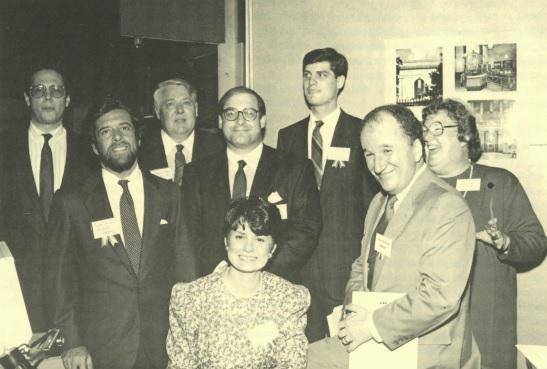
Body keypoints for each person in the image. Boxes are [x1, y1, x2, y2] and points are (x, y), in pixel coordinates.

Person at [307, 104, 480, 369]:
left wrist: (372, 324)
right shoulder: (379, 202)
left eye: (387, 150)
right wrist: (353, 310)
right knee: (297, 357)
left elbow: (438, 297)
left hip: (422, 352)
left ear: (416, 149)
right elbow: (360, 266)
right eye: (369, 154)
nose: (377, 165)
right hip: (373, 341)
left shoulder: (447, 206)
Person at [44, 98, 196, 369]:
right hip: (101, 347)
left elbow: (186, 269)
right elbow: (58, 279)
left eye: (124, 128)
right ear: (94, 146)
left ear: (137, 138)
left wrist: (191, 334)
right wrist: (73, 341)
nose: (117, 137)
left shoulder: (169, 194)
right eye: (105, 132)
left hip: (164, 343)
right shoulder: (71, 202)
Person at [422, 99, 546, 369]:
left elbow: (536, 243)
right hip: (430, 328)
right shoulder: (417, 188)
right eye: (425, 130)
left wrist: (506, 243)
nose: (427, 137)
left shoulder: (500, 183)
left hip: (485, 324)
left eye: (437, 128)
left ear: (464, 135)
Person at [277, 47, 379, 341]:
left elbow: (372, 204)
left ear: (341, 81)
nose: (312, 82)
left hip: (344, 267)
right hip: (299, 270)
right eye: (307, 75)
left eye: (322, 75)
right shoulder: (288, 136)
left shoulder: (361, 132)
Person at [182, 86, 321, 282]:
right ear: (220, 122)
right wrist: (224, 272)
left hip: (275, 284)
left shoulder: (295, 168)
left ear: (262, 120)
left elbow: (306, 230)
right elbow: (190, 232)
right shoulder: (196, 173)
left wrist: (261, 275)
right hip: (214, 283)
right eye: (231, 114)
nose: (240, 121)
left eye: (249, 113)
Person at [0, 66, 94, 332]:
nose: (48, 97)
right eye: (39, 90)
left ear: (67, 99)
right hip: (16, 287)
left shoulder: (90, 152)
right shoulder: (4, 149)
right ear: (28, 99)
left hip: (77, 288)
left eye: (56, 90)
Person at [166, 197, 309, 369]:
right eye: (240, 237)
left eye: (260, 239)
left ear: (273, 249)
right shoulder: (190, 299)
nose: (248, 248)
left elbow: (292, 364)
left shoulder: (289, 300)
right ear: (226, 242)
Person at [138, 78, 225, 184]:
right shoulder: (140, 153)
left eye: (186, 103)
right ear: (158, 112)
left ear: (196, 109)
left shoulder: (219, 147)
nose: (180, 110)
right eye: (170, 104)